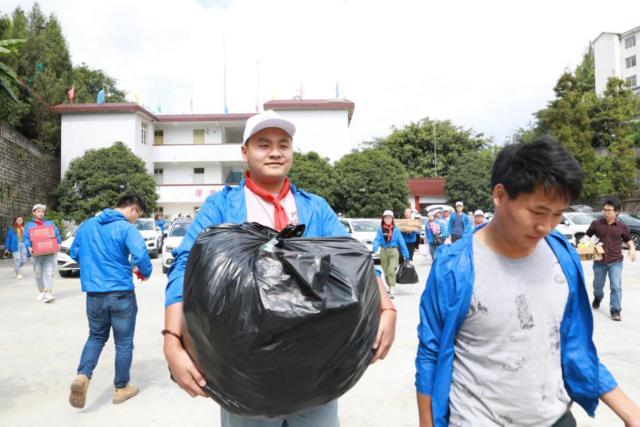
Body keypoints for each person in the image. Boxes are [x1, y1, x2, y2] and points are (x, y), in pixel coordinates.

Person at [163, 110, 397, 427]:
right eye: (263, 144)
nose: (275, 151)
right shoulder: (222, 208)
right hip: (246, 377)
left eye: (283, 144)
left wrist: (387, 308)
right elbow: (185, 266)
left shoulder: (313, 207)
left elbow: (354, 260)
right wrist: (172, 339)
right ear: (245, 152)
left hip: (315, 372)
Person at [416, 137, 640, 427]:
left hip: (555, 417)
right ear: (500, 196)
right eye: (537, 212)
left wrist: (631, 412)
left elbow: (575, 345)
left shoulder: (562, 254)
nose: (546, 226)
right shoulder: (454, 267)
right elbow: (430, 354)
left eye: (558, 215)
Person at [68, 195, 152, 409]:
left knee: (96, 336)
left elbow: (75, 252)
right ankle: (121, 388)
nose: (136, 220)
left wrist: (95, 263)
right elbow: (141, 256)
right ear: (132, 209)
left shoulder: (87, 225)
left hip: (94, 294)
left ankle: (83, 376)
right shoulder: (126, 228)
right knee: (123, 343)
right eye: (138, 215)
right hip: (121, 293)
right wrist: (144, 271)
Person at [586, 198, 636, 322]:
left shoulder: (622, 226)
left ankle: (615, 310)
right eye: (604, 210)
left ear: (617, 212)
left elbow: (628, 239)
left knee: (616, 286)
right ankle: (598, 297)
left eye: (609, 210)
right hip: (599, 261)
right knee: (598, 285)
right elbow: (587, 235)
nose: (606, 212)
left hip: (616, 261)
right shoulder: (596, 223)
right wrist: (585, 244)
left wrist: (632, 248)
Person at [23, 204, 61, 303]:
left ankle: (48, 293)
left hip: (49, 254)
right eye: (38, 211)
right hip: (36, 254)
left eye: (42, 212)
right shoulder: (29, 225)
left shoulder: (50, 224)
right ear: (34, 212)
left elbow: (56, 234)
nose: (40, 213)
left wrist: (59, 243)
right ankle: (41, 292)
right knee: (38, 274)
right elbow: (26, 238)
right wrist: (29, 246)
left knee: (49, 273)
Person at [373, 210, 410, 298]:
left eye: (390, 218)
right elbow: (377, 239)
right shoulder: (380, 229)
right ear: (383, 219)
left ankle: (392, 288)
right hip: (383, 251)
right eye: (386, 218)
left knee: (391, 270)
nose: (388, 219)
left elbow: (401, 242)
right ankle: (389, 286)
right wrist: (375, 247)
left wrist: (406, 254)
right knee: (385, 271)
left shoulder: (396, 230)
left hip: (394, 251)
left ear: (392, 219)